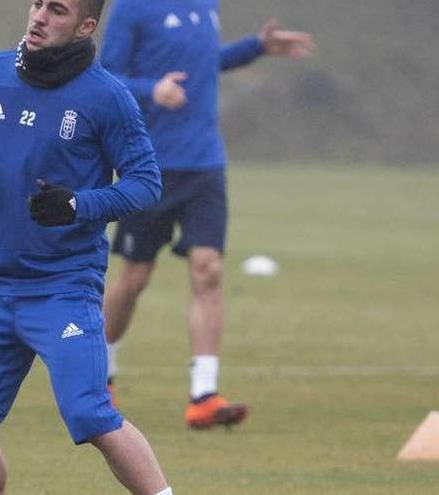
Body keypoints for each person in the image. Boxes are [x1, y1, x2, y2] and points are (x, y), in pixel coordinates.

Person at [0, 1, 173, 494]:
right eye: (38, 3)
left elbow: (147, 183)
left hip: (65, 287)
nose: (40, 16)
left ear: (85, 27)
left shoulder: (107, 97)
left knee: (90, 412)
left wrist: (78, 205)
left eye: (58, 10)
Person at [100, 1, 315, 429]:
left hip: (204, 162)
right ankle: (100, 374)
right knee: (134, 277)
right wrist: (151, 91)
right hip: (149, 163)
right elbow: (106, 77)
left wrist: (255, 47)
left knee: (207, 268)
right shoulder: (131, 7)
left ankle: (204, 394)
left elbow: (203, 63)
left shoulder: (205, 4)